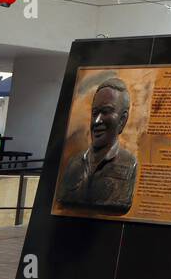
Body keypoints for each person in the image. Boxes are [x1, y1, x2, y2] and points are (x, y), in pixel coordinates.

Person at [57, 77, 138, 213]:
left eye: (106, 112)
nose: (97, 121)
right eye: (94, 113)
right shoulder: (73, 164)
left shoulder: (129, 164)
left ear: (122, 120)